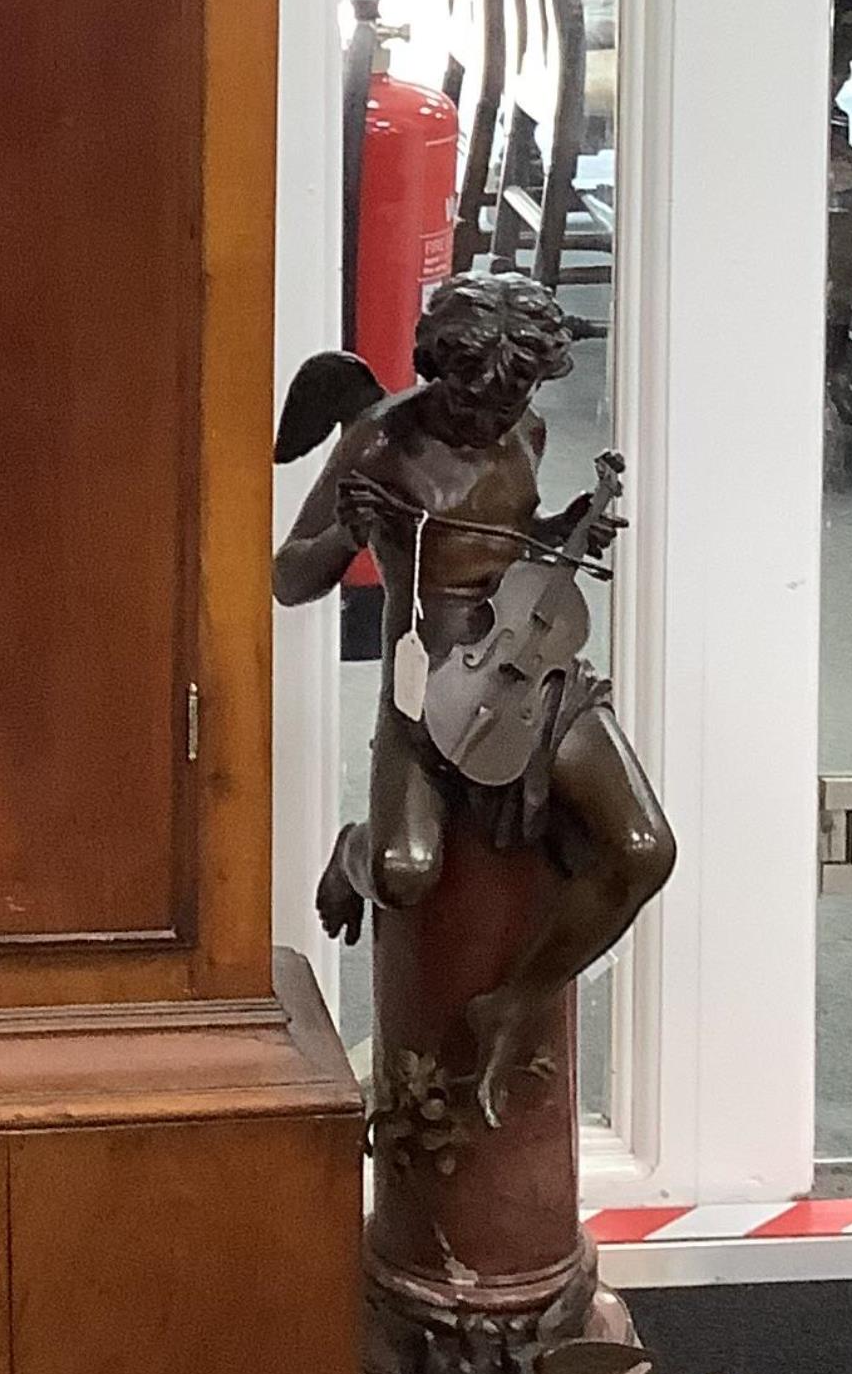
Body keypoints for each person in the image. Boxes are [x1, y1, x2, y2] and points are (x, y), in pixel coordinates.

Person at [275, 268, 673, 1133]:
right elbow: (289, 576)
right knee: (404, 871)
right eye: (468, 404)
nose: (488, 423)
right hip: (427, 690)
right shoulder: (384, 441)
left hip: (531, 672)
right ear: (434, 369)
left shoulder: (521, 427)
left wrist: (566, 527)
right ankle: (353, 851)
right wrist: (352, 526)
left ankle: (516, 1000)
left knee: (643, 848)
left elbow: (509, 541)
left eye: (508, 404)